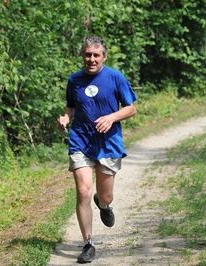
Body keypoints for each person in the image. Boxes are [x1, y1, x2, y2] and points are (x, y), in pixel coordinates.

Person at [56, 35, 137, 263]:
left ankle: (103, 204)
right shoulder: (74, 80)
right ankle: (88, 243)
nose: (91, 59)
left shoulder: (115, 77)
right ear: (83, 55)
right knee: (82, 190)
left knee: (105, 195)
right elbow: (71, 107)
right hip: (80, 141)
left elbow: (131, 109)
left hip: (108, 143)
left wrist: (111, 118)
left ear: (104, 56)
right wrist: (65, 118)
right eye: (87, 54)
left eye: (95, 55)